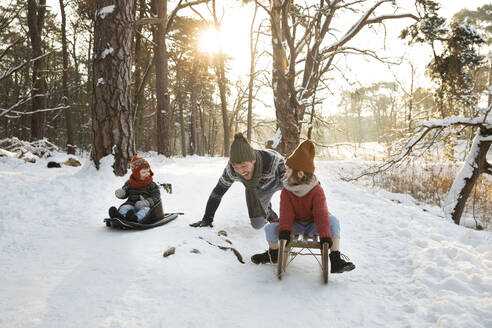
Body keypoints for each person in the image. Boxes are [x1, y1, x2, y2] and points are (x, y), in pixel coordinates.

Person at [251, 140, 355, 274]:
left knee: (333, 221)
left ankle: (335, 259)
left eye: (288, 170)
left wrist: (324, 236)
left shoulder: (316, 190)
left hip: (314, 224)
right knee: (270, 228)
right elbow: (286, 212)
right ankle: (274, 254)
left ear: (300, 174)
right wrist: (285, 231)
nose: (285, 173)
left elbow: (321, 213)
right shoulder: (287, 189)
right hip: (296, 224)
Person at [190, 133, 285, 229]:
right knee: (257, 224)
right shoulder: (231, 171)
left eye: (244, 166)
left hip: (280, 180)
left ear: (253, 161)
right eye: (236, 167)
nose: (241, 171)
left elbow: (296, 188)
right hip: (262, 188)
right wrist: (207, 218)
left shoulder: (274, 162)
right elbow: (217, 193)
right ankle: (268, 212)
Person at [108, 156, 161, 223]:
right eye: (144, 172)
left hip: (145, 205)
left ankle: (135, 218)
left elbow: (156, 197)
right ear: (136, 173)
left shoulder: (151, 184)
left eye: (148, 171)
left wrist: (146, 202)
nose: (147, 174)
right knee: (124, 208)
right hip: (131, 203)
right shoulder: (130, 183)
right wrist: (122, 193)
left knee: (145, 211)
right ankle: (120, 216)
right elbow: (126, 191)